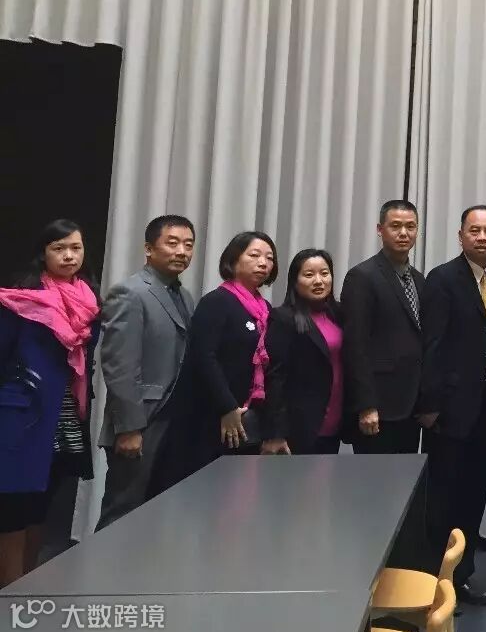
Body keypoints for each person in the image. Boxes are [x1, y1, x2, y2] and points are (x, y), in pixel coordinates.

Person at [0, 220, 101, 587]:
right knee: (13, 505)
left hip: (66, 413)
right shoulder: (20, 298)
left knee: (43, 502)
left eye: (75, 247)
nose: (69, 255)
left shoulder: (88, 299)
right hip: (23, 413)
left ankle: (29, 582)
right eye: (59, 248)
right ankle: (10, 590)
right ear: (43, 253)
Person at [421, 205, 486, 607]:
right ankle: (435, 581)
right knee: (444, 497)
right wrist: (430, 404)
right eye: (475, 230)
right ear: (461, 236)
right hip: (450, 408)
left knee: (474, 493)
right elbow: (432, 346)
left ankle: (463, 575)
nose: (482, 237)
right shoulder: (443, 279)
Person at [151, 231, 279, 492]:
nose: (263, 263)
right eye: (254, 255)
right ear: (233, 260)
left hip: (248, 417)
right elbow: (204, 357)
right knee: (202, 491)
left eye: (269, 258)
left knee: (239, 494)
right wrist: (227, 407)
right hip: (211, 415)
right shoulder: (217, 301)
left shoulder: (265, 309)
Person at [96, 214, 197, 530]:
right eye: (173, 243)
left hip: (174, 421)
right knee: (123, 511)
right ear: (149, 249)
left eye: (188, 245)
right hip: (142, 421)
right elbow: (120, 366)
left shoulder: (184, 296)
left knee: (158, 514)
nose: (181, 251)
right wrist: (129, 428)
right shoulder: (130, 292)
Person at [342, 200, 428, 456]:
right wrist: (366, 405)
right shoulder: (362, 277)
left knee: (406, 477)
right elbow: (355, 346)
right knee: (374, 479)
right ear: (380, 229)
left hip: (411, 405)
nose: (403, 233)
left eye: (410, 227)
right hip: (378, 407)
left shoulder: (419, 280)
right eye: (396, 226)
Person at [263, 249, 346, 455]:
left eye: (324, 273)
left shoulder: (339, 313)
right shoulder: (283, 318)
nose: (318, 281)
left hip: (334, 421)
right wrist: (276, 433)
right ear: (295, 281)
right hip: (299, 427)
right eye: (309, 275)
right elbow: (275, 378)